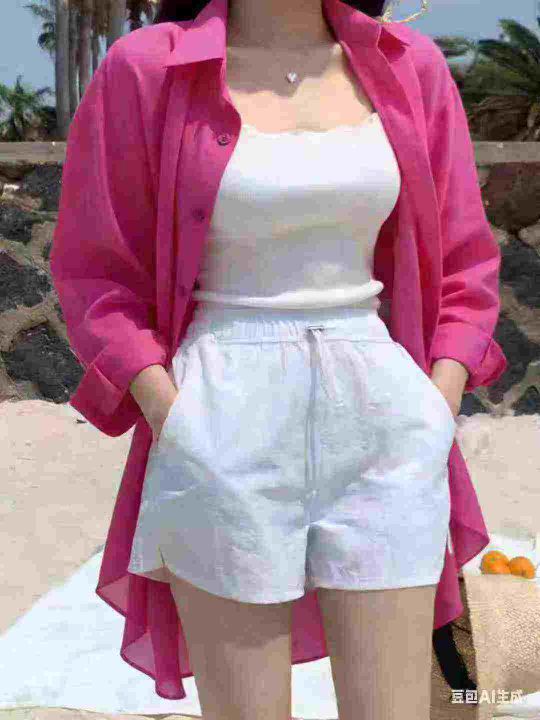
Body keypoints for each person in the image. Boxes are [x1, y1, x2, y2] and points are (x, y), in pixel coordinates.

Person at [49, 0, 508, 718]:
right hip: (220, 407)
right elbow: (96, 268)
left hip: (384, 412)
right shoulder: (147, 68)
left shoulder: (409, 65)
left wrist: (437, 402)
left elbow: (465, 260)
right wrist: (171, 413)